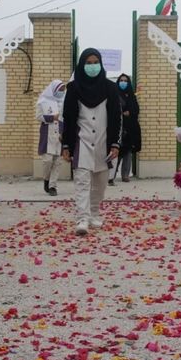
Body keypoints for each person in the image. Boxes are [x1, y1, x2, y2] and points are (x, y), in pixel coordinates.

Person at [62, 48, 122, 235]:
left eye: (96, 62)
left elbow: (116, 117)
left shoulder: (110, 88)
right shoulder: (73, 89)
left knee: (101, 182)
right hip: (82, 142)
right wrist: (66, 145)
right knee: (82, 181)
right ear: (81, 65)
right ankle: (82, 217)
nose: (92, 66)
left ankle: (94, 212)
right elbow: (69, 118)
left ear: (101, 64)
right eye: (88, 63)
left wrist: (115, 143)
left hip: (104, 142)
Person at [36, 79, 65, 196]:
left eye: (64, 90)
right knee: (47, 161)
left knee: (57, 162)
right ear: (54, 89)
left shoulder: (63, 102)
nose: (62, 92)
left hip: (60, 135)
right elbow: (38, 117)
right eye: (60, 89)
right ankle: (46, 180)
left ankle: (53, 186)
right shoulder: (43, 101)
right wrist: (53, 117)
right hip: (48, 134)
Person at [110, 74, 141, 184]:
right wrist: (121, 114)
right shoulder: (114, 94)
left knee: (127, 152)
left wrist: (130, 112)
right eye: (121, 80)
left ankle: (125, 175)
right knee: (116, 152)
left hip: (129, 128)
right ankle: (111, 176)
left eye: (125, 81)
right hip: (118, 128)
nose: (123, 82)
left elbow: (136, 110)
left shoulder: (132, 95)